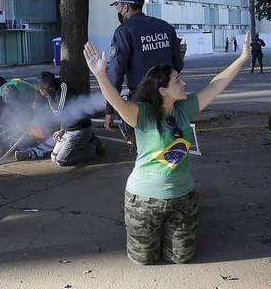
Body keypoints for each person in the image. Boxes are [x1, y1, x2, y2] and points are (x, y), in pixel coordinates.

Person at [82, 32, 252, 265]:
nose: (184, 84)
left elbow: (216, 85)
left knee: (182, 258)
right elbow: (117, 102)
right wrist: (100, 75)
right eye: (178, 81)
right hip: (144, 200)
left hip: (182, 197)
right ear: (162, 90)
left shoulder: (184, 108)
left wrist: (242, 58)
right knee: (145, 260)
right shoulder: (143, 114)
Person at [105, 0, 184, 133]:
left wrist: (110, 109)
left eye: (118, 7)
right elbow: (178, 64)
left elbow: (116, 73)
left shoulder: (123, 32)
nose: (118, 11)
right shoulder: (165, 27)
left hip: (142, 99)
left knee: (144, 141)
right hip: (169, 95)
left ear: (126, 7)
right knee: (171, 136)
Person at [14, 72, 104, 164]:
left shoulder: (63, 88)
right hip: (66, 128)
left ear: (49, 87)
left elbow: (60, 111)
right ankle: (86, 142)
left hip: (77, 129)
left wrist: (62, 129)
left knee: (61, 160)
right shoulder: (49, 93)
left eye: (41, 89)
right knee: (53, 157)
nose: (40, 93)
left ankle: (93, 149)